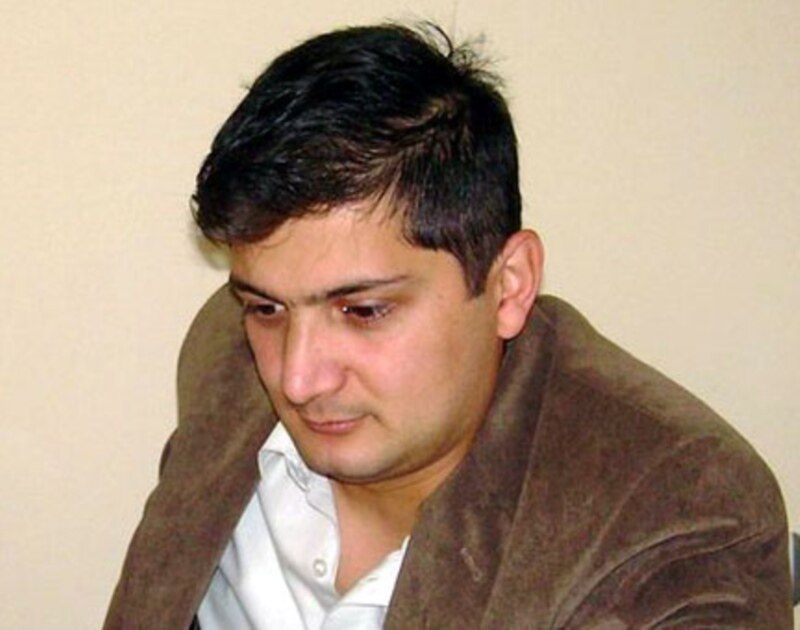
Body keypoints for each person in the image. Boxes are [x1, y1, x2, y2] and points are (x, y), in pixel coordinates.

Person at [104, 23, 792, 629]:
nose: (297, 377)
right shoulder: (223, 351)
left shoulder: (674, 513)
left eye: (363, 311)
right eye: (266, 308)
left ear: (509, 285)